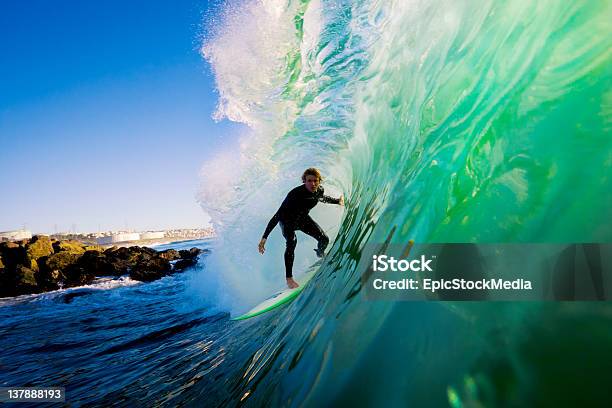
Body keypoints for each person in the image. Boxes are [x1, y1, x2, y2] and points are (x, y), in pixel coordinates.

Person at [258, 168, 344, 288]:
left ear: (319, 181)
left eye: (315, 180)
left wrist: (337, 201)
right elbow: (278, 215)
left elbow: (320, 198)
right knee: (292, 242)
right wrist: (264, 238)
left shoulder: (319, 190)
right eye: (309, 181)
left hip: (303, 219)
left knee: (324, 239)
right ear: (304, 181)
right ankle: (289, 279)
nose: (313, 184)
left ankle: (320, 254)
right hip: (287, 221)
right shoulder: (295, 194)